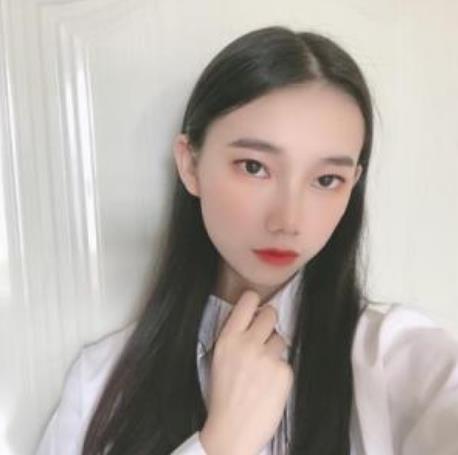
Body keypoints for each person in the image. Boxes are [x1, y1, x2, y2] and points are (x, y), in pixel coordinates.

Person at [35, 25, 458, 455]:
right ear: (191, 164)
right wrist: (222, 442)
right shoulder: (100, 382)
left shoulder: (391, 356)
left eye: (327, 179)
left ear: (353, 184)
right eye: (254, 167)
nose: (288, 221)